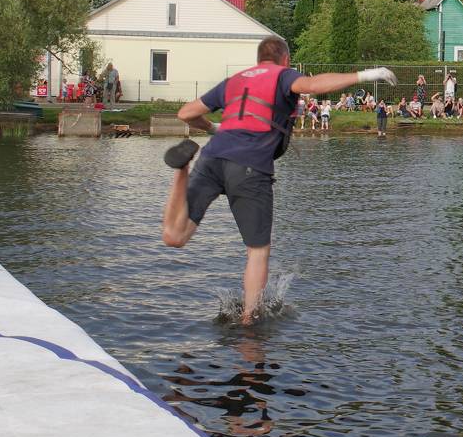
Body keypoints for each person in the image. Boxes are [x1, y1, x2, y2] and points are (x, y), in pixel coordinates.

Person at [159, 36, 395, 324]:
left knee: (175, 236)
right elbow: (313, 85)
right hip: (250, 165)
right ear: (285, 59)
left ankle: (181, 169)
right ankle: (249, 321)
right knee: (258, 251)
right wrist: (368, 74)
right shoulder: (283, 75)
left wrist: (213, 128)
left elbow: (186, 113)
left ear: (259, 59)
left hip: (211, 158)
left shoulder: (234, 81)